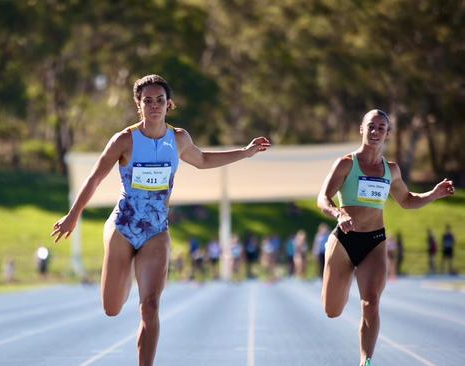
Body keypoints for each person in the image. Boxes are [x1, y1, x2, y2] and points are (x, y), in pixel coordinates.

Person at [51, 74, 270, 366]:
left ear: (170, 104)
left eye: (160, 100)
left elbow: (202, 160)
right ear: (138, 106)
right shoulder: (124, 140)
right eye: (148, 101)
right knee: (112, 308)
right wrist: (73, 216)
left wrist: (244, 153)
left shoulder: (178, 139)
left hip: (156, 231)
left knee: (151, 306)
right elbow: (94, 178)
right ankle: (126, 267)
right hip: (123, 227)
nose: (154, 106)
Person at [317, 109, 455, 366]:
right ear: (361, 129)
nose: (375, 131)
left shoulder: (391, 169)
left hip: (375, 242)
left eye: (381, 127)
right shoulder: (346, 163)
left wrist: (433, 194)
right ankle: (340, 274)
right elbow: (322, 198)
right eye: (371, 126)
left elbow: (406, 200)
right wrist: (338, 213)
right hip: (345, 240)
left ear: (388, 134)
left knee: (371, 302)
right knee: (332, 311)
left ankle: (365, 361)